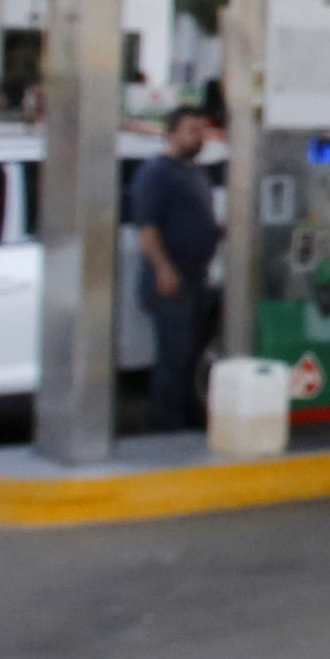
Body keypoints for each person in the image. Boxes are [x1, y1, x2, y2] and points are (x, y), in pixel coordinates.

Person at [126, 102, 222, 433]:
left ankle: (189, 416)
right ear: (172, 134)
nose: (200, 137)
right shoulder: (156, 173)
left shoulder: (196, 172)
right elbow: (147, 228)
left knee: (190, 354)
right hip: (170, 280)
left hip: (195, 277)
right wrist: (164, 269)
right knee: (173, 355)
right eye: (192, 131)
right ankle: (167, 425)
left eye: (203, 130)